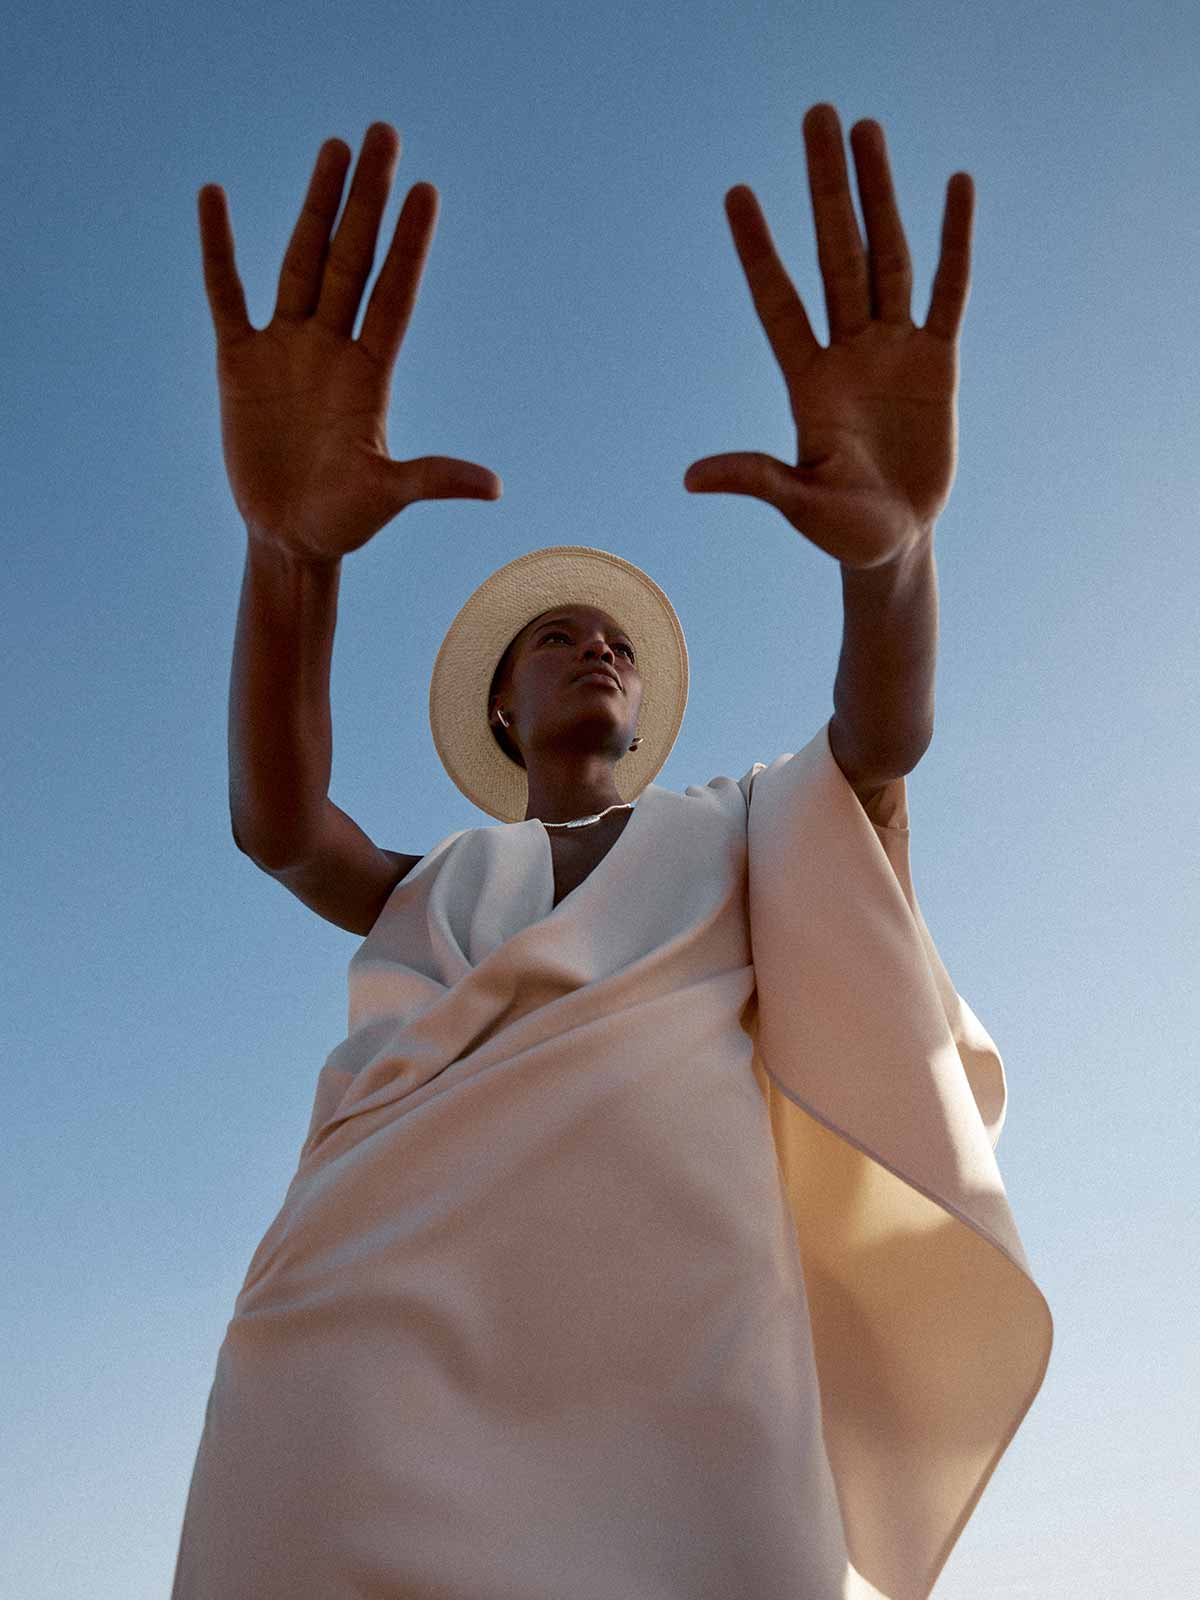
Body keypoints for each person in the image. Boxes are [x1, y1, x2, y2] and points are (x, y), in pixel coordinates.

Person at [176, 106, 1051, 1600]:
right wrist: (288, 556)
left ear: (641, 708)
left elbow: (882, 739)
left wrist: (897, 558)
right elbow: (280, 824)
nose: (596, 649)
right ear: (502, 709)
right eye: (555, 640)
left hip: (686, 1349)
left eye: (616, 645)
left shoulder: (744, 827)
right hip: (360, 1334)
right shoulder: (434, 884)